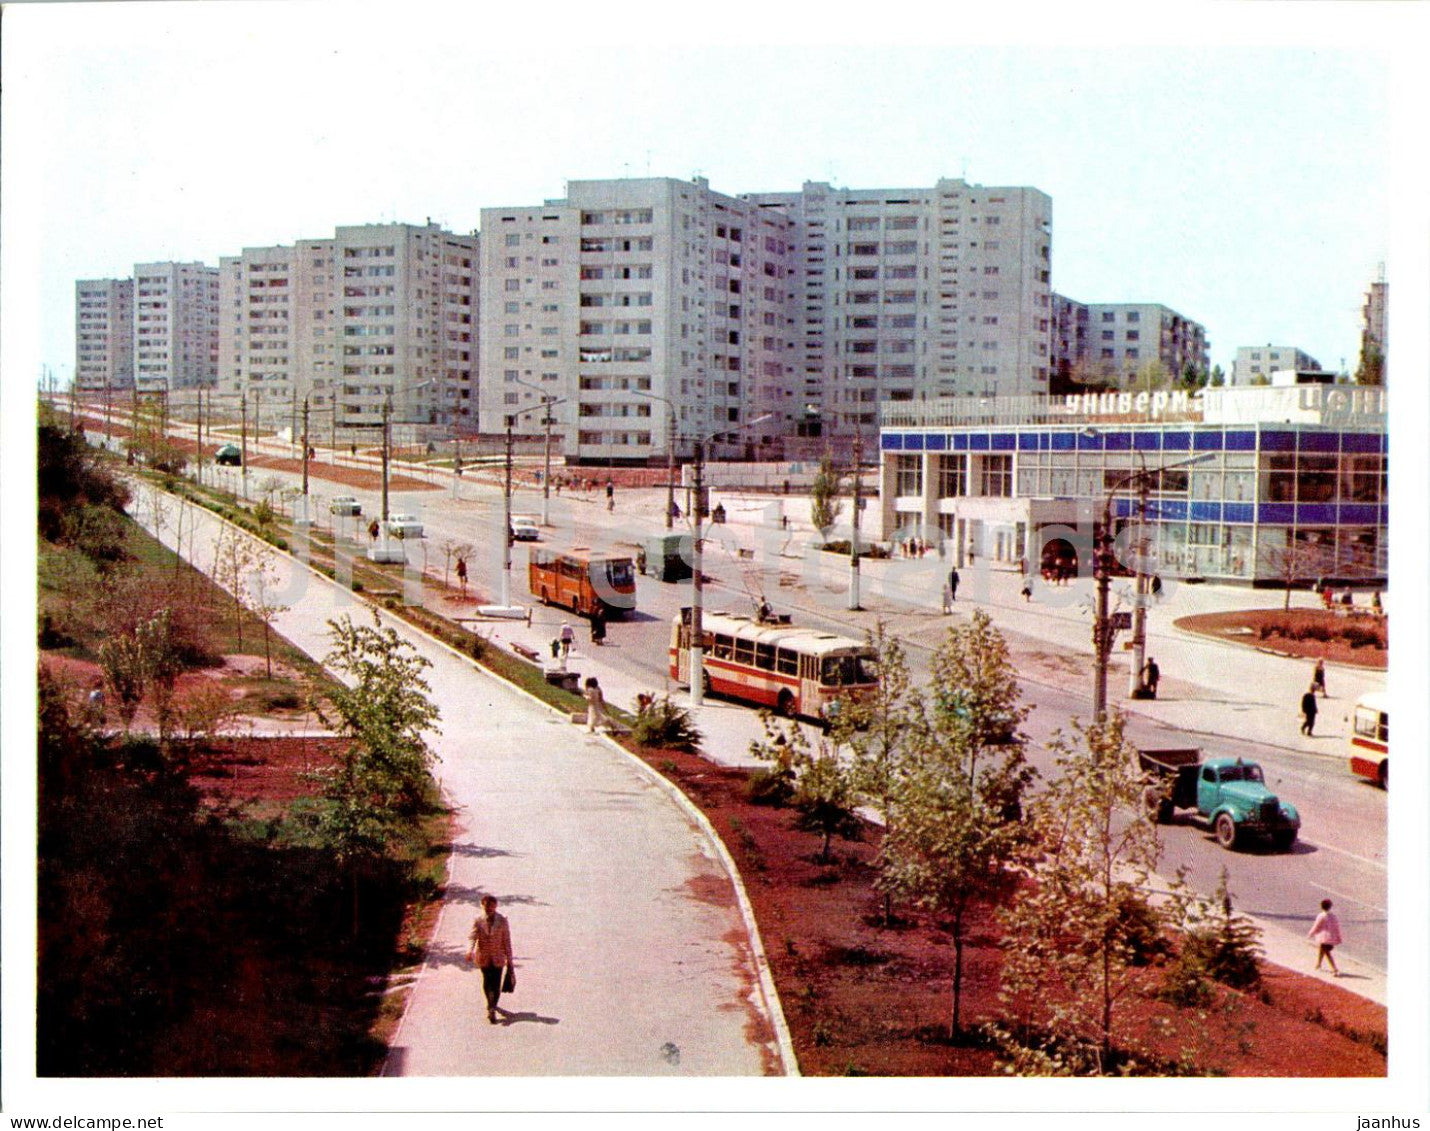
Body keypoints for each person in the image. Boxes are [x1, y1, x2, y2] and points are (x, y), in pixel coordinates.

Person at [467, 895, 515, 1024]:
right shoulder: (478, 920)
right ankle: (491, 1006)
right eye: (486, 906)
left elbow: (506, 941)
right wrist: (469, 950)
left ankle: (492, 1006)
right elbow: (472, 937)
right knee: (487, 982)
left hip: (498, 957)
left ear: (496, 906)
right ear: (482, 905)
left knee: (496, 984)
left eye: (491, 906)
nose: (489, 908)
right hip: (484, 957)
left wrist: (510, 960)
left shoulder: (502, 920)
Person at [1308, 898, 1342, 976]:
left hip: (1324, 937)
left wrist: (1311, 933)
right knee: (1322, 949)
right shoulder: (1333, 916)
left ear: (1321, 907)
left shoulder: (1321, 916)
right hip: (1331, 937)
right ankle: (1318, 964)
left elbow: (1316, 926)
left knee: (1326, 952)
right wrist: (1338, 937)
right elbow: (1337, 927)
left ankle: (1334, 969)